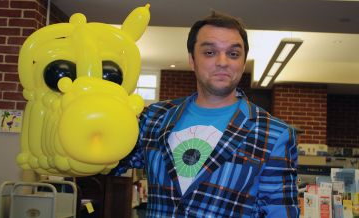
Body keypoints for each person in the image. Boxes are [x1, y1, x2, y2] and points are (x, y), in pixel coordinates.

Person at [114, 11, 299, 217]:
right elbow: (110, 162)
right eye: (210, 52)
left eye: (233, 54)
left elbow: (280, 212)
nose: (222, 62)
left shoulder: (273, 133)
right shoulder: (154, 117)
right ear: (192, 60)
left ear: (243, 62)